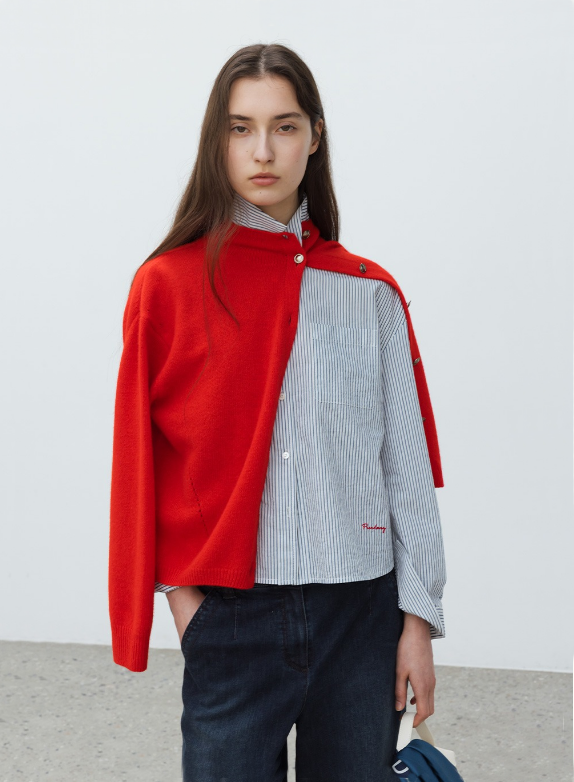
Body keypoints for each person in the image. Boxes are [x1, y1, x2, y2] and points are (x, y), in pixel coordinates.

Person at [108, 42, 447, 782]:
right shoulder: (166, 286)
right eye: (241, 128)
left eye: (284, 126)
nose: (263, 150)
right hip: (231, 615)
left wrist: (417, 623)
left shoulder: (369, 292)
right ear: (217, 140)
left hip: (361, 619)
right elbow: (142, 462)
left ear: (315, 137)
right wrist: (186, 606)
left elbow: (405, 466)